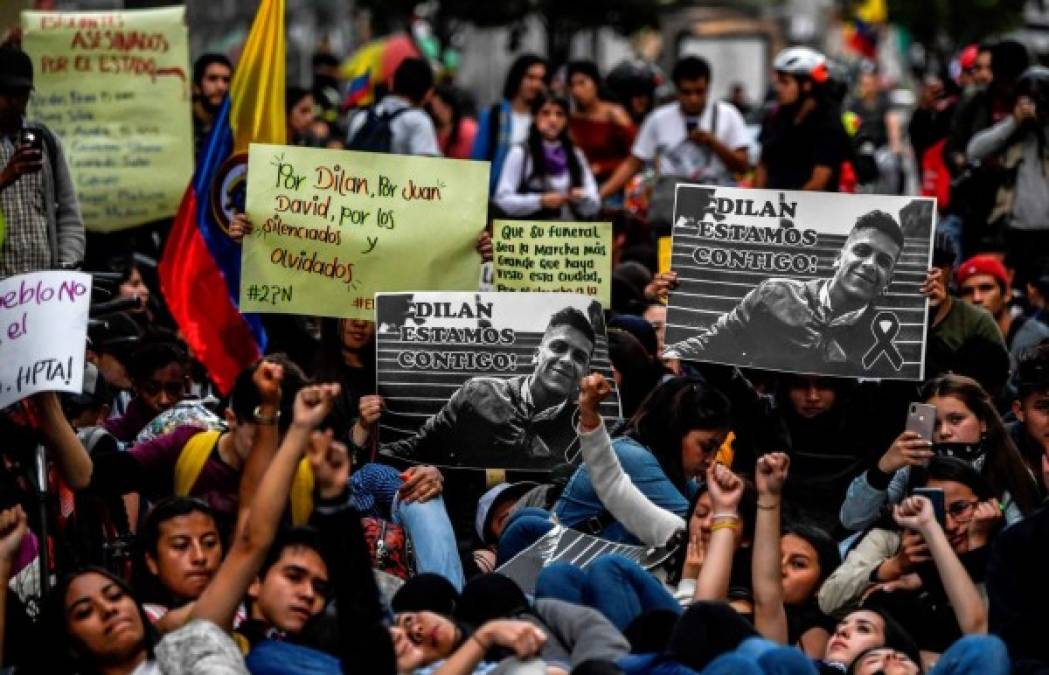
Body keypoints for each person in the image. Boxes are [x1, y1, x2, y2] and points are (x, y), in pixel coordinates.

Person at [663, 210, 905, 375]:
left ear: (889, 281)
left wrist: (942, 308)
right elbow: (714, 342)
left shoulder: (888, 336)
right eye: (862, 251)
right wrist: (675, 353)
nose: (870, 264)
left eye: (883, 261)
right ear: (837, 258)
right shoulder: (775, 294)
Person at [362, 306, 596, 470]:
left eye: (579, 357)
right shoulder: (479, 392)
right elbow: (418, 448)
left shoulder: (588, 428)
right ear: (536, 355)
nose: (566, 360)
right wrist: (364, 439)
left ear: (585, 372)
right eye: (558, 347)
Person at [822, 458, 998, 653]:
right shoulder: (890, 541)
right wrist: (893, 566)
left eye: (960, 509)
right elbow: (828, 601)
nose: (950, 525)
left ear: (985, 505)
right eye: (937, 513)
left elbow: (984, 633)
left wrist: (976, 552)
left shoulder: (1003, 545)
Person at [840, 374, 1041, 532]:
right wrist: (881, 470)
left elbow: (1020, 550)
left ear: (982, 422)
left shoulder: (1006, 469)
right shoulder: (913, 467)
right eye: (935, 424)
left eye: (956, 420)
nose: (944, 432)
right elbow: (853, 520)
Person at [599, 56, 751, 208]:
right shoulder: (659, 119)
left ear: (708, 87)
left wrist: (713, 142)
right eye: (687, 92)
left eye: (699, 92)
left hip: (718, 206)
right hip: (672, 207)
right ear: (677, 90)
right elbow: (633, 163)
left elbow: (743, 166)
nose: (693, 99)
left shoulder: (727, 114)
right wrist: (599, 196)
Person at [0, 45, 84, 279]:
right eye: (5, 93)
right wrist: (5, 177)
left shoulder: (46, 141)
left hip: (42, 293)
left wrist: (66, 270)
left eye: (21, 93)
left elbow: (69, 215)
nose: (13, 102)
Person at [967, 65, 1049, 285]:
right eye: (1027, 100)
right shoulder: (1012, 132)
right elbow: (974, 151)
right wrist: (1014, 122)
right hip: (1016, 235)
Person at [754, 46, 848, 191]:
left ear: (806, 85)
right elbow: (763, 165)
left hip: (813, 209)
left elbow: (819, 181)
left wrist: (787, 210)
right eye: (778, 82)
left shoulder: (828, 124)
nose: (778, 88)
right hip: (772, 207)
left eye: (785, 82)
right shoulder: (775, 117)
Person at [493, 93, 600, 220]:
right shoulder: (521, 153)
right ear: (534, 117)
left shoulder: (576, 154)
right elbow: (502, 200)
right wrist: (539, 201)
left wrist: (583, 197)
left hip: (568, 235)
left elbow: (595, 201)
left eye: (559, 114)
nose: (553, 120)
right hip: (531, 235)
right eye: (545, 113)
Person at [135, 497, 226, 633]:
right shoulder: (139, 621)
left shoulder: (248, 609)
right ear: (152, 562)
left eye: (209, 543)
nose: (200, 556)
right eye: (181, 546)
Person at [472, 54, 549, 195]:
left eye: (541, 79)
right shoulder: (494, 115)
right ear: (517, 78)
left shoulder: (546, 116)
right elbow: (478, 162)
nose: (536, 85)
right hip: (497, 199)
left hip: (535, 201)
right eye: (530, 78)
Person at [956, 254, 1049, 362]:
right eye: (967, 291)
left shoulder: (1036, 337)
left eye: (986, 288)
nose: (976, 298)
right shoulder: (961, 340)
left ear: (1007, 294)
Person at [347, 57, 439, 156]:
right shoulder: (418, 121)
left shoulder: (362, 118)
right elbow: (426, 166)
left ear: (391, 83)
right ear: (428, 94)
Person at [565, 60, 636, 187]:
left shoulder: (614, 114)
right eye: (572, 85)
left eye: (582, 83)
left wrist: (603, 167)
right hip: (582, 184)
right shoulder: (571, 119)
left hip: (616, 184)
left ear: (595, 83)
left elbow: (637, 155)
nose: (576, 90)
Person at [191, 53, 233, 158]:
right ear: (196, 86)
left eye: (226, 80)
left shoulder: (233, 127)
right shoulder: (184, 126)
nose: (221, 87)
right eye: (212, 79)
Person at [429, 84, 477, 159]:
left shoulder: (467, 129)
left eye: (442, 106)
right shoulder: (435, 131)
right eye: (434, 108)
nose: (437, 112)